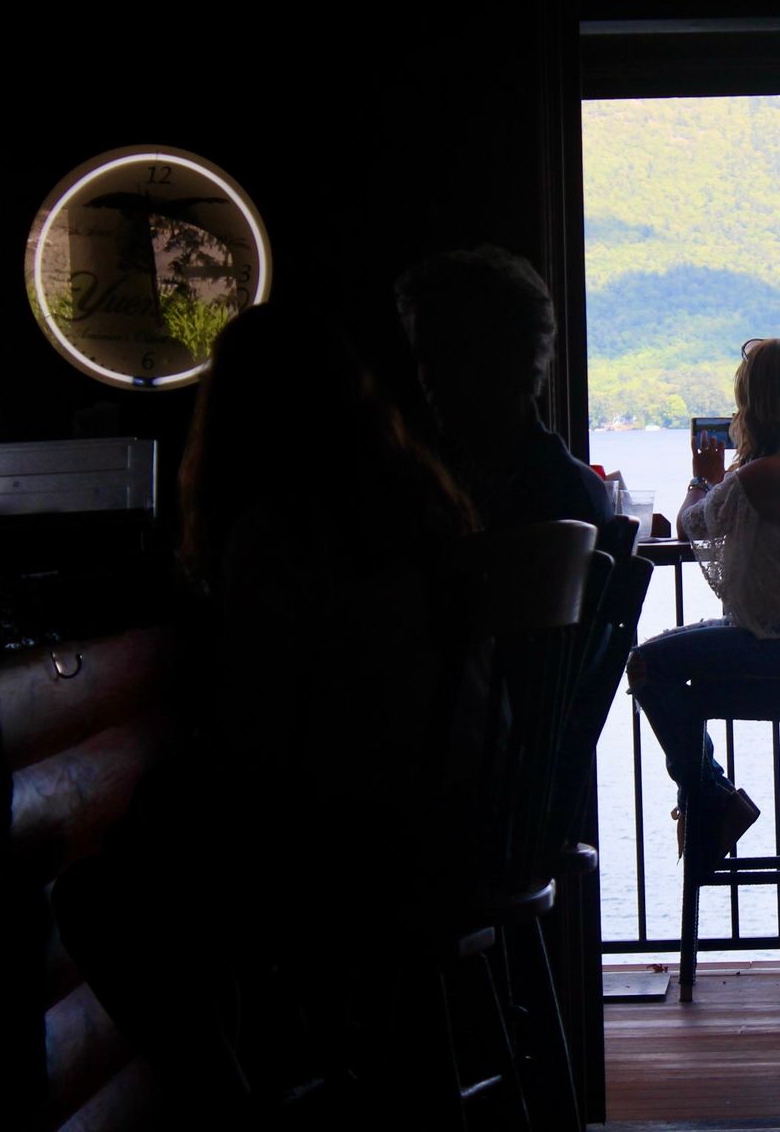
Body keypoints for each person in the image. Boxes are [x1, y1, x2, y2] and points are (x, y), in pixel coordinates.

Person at [55, 304, 479, 1119]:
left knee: (98, 897)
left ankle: (234, 1106)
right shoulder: (422, 506)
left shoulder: (281, 533)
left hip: (352, 849)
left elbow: (262, 740)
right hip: (452, 835)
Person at [626, 338, 780, 861]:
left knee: (646, 664)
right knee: (663, 659)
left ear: (757, 403)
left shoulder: (763, 475)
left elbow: (693, 527)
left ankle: (710, 796)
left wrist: (701, 477)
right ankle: (710, 797)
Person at [395, 246, 611, 529]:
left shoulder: (541, 495)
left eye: (453, 354)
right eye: (425, 356)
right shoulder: (570, 487)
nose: (429, 376)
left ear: (514, 356)